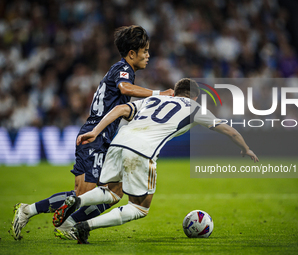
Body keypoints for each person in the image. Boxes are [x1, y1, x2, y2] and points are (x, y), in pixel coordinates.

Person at [11, 25, 174, 241]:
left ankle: (70, 223)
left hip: (106, 139)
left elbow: (122, 106)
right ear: (132, 53)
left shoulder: (121, 71)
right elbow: (125, 89)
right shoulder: (123, 69)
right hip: (95, 137)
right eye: (145, 51)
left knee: (114, 194)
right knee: (83, 195)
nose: (148, 55)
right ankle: (28, 210)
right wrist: (159, 94)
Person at [52, 78, 259, 244]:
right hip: (141, 150)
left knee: (111, 193)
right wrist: (246, 148)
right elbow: (229, 131)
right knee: (140, 208)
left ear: (175, 92)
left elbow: (120, 109)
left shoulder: (154, 99)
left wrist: (95, 131)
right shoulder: (195, 108)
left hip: (118, 143)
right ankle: (85, 227)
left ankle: (77, 200)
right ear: (195, 96)